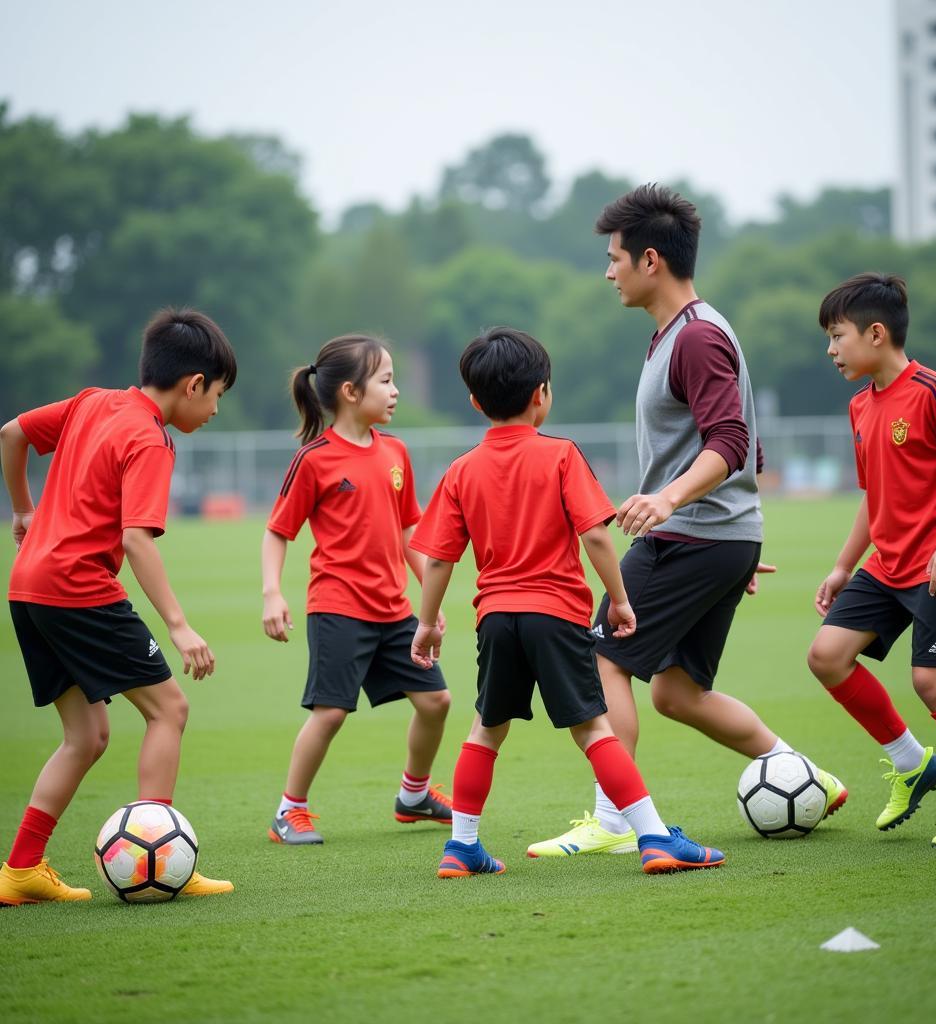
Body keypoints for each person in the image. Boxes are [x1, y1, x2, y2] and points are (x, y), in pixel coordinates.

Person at [529, 184, 845, 858]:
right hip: (712, 539)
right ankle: (804, 774)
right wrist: (731, 544)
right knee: (676, 692)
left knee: (602, 655)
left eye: (614, 258)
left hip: (693, 535)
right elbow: (748, 446)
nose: (607, 272)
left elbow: (730, 442)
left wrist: (676, 505)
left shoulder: (697, 337)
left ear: (651, 260)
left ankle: (615, 820)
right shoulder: (678, 335)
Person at [410, 327, 725, 878]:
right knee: (593, 730)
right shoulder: (560, 455)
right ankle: (654, 838)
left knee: (486, 727)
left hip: (496, 619)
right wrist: (622, 602)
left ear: (475, 402)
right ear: (542, 395)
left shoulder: (461, 469)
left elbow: (438, 559)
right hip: (554, 614)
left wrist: (428, 623)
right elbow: (598, 536)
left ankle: (462, 847)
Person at [0, 308, 237, 906]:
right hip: (78, 588)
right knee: (169, 710)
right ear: (192, 384)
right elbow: (136, 540)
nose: (214, 411)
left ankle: (21, 870)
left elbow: (11, 433)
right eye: (216, 396)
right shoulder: (150, 439)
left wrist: (22, 508)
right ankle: (162, 855)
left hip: (28, 587)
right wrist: (179, 628)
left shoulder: (91, 402)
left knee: (86, 735)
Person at [807, 272, 936, 846]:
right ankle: (911, 762)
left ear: (877, 334)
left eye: (837, 336)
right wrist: (843, 565)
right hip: (888, 562)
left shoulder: (932, 390)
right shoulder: (860, 407)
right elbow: (874, 497)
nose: (831, 350)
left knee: (931, 680)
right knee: (827, 656)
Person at [262, 335, 452, 846]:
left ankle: (413, 796)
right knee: (331, 712)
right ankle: (289, 810)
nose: (395, 392)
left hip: (394, 611)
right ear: (349, 391)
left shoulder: (396, 453)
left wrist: (428, 605)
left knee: (436, 702)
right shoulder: (315, 459)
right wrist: (271, 593)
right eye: (386, 381)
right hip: (338, 608)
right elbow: (279, 531)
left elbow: (410, 530)